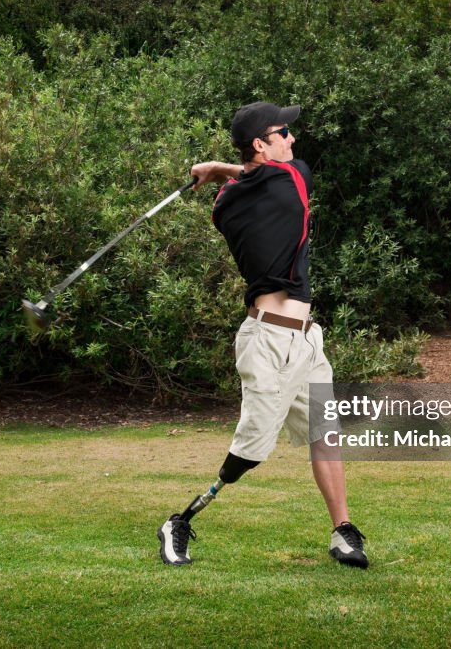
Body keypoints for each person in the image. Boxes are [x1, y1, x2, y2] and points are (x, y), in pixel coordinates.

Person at [157, 102, 368, 569]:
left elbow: (250, 178)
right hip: (268, 342)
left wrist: (217, 171)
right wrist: (220, 169)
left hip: (307, 340)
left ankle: (342, 531)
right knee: (251, 451)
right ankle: (181, 519)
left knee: (324, 434)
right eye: (284, 131)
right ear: (261, 143)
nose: (293, 140)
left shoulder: (225, 202)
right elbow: (263, 174)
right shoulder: (294, 178)